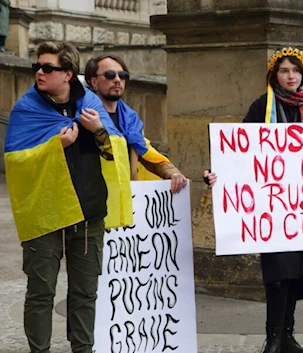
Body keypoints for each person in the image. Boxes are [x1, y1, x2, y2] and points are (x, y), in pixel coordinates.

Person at [206, 47, 303, 353]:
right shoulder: (261, 107)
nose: (290, 76)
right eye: (284, 71)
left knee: (298, 275)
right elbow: (238, 152)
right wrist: (216, 175)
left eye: (295, 70)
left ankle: (288, 337)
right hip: (273, 210)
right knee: (278, 276)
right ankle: (273, 339)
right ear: (273, 75)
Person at [4, 41, 132, 353]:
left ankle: (83, 350)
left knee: (85, 292)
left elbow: (115, 152)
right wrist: (53, 147)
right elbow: (14, 162)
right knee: (40, 292)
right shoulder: (26, 108)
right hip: (45, 216)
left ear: (68, 74)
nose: (40, 72)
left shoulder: (91, 104)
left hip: (88, 215)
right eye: (38, 66)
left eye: (49, 67)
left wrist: (99, 129)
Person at [84, 54, 187, 193]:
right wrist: (99, 132)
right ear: (94, 82)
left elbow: (147, 154)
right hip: (94, 198)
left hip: (125, 199)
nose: (117, 80)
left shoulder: (130, 120)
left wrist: (173, 173)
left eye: (122, 75)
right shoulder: (84, 116)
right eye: (109, 75)